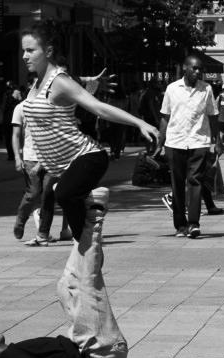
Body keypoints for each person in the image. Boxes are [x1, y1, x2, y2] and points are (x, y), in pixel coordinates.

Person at [0, 195, 124, 358]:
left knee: (65, 286)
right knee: (83, 285)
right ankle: (94, 215)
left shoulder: (11, 354)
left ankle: (85, 231)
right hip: (99, 356)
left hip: (90, 348)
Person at [20, 20, 158, 243]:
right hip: (62, 165)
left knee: (63, 194)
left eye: (30, 50)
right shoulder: (37, 83)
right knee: (81, 236)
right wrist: (90, 80)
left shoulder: (59, 82)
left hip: (86, 157)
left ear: (48, 51)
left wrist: (139, 123)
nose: (24, 56)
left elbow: (98, 108)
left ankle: (95, 205)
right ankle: (87, 244)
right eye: (23, 51)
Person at [156, 54, 220, 238]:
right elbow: (165, 117)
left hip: (198, 141)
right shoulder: (172, 89)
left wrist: (217, 140)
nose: (198, 72)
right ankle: (180, 225)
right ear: (185, 68)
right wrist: (159, 142)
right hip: (175, 142)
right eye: (194, 68)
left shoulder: (206, 89)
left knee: (195, 181)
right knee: (177, 184)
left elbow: (212, 116)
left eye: (200, 69)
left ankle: (193, 223)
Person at [12, 100, 58, 245]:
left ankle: (43, 233)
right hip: (30, 157)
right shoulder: (21, 107)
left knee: (48, 195)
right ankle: (21, 219)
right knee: (33, 193)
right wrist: (17, 157)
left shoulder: (52, 105)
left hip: (50, 158)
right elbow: (16, 134)